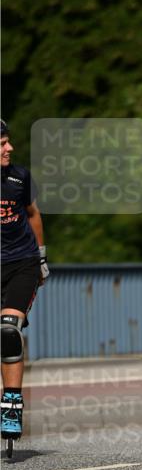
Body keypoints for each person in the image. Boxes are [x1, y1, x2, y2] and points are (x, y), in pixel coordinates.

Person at [1, 119, 49, 441]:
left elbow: (33, 214)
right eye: (2, 144)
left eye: (8, 141)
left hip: (22, 263)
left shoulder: (20, 177)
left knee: (8, 329)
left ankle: (11, 405)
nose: (10, 148)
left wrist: (42, 258)